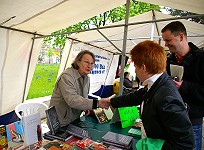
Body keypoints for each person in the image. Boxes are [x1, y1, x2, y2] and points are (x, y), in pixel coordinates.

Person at [100, 40, 195, 149]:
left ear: (144, 68)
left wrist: (156, 147)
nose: (135, 71)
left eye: (135, 67)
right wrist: (110, 101)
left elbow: (186, 143)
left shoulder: (167, 97)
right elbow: (136, 96)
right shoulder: (156, 83)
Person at [161, 21, 204, 150]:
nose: (165, 44)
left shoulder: (201, 59)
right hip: (170, 120)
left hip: (192, 122)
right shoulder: (168, 60)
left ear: (180, 37)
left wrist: (183, 86)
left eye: (168, 40)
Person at [49, 50, 104, 127]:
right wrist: (97, 103)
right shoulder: (67, 76)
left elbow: (83, 97)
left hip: (73, 119)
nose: (89, 66)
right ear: (78, 62)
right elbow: (72, 100)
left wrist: (87, 107)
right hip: (59, 120)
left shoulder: (87, 78)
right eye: (87, 62)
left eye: (92, 63)